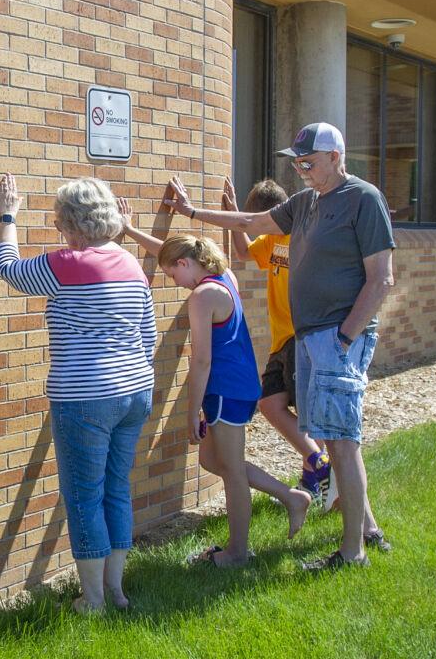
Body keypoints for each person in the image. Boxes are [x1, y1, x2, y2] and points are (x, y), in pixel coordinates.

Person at [169, 122, 395, 571]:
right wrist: (193, 215)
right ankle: (358, 534)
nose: (302, 170)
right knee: (331, 438)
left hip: (335, 337)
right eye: (297, 163)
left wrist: (345, 336)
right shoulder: (307, 202)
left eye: (309, 161)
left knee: (343, 443)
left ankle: (355, 550)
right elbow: (251, 223)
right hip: (307, 338)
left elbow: (381, 278)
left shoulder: (362, 199)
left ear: (336, 156)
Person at [0, 175, 155, 611]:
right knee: (117, 489)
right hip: (136, 390)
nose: (58, 226)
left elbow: (8, 269)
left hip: (84, 397)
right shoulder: (131, 264)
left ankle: (94, 600)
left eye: (61, 219)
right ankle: (117, 592)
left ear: (72, 222)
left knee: (84, 496)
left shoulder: (67, 263)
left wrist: (7, 216)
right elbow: (148, 335)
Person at [118, 220, 310, 568]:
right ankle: (290, 496)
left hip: (225, 391)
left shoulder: (202, 295)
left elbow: (201, 360)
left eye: (173, 275)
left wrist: (192, 412)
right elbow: (170, 252)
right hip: (236, 387)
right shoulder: (224, 279)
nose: (175, 283)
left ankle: (237, 552)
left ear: (184, 265)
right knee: (212, 460)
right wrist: (130, 230)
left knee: (233, 472)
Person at [221, 178, 332, 503]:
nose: (259, 226)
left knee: (308, 415)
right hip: (281, 339)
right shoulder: (271, 240)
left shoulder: (303, 236)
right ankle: (320, 464)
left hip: (303, 336)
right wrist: (234, 215)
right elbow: (242, 252)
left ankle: (315, 475)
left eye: (260, 219)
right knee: (269, 403)